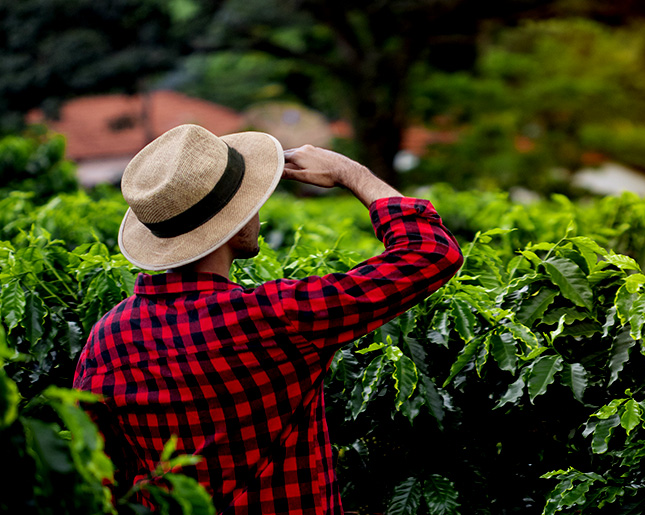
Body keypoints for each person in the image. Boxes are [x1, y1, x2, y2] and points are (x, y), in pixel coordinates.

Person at [72, 124, 463, 514]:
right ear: (237, 221)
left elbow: (103, 473)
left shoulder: (106, 337)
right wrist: (349, 172)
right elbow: (429, 253)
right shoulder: (279, 317)